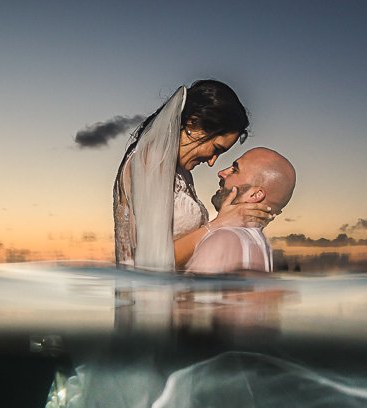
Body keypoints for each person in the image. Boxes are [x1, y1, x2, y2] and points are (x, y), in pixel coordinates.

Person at [113, 80, 274, 271]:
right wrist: (219, 224)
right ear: (192, 123)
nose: (212, 161)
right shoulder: (152, 160)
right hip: (147, 295)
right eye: (215, 149)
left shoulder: (181, 173)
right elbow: (152, 262)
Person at [185, 148, 295, 274]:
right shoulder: (261, 245)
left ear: (254, 195)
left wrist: (214, 226)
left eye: (235, 170)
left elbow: (188, 291)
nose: (221, 173)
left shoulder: (222, 239)